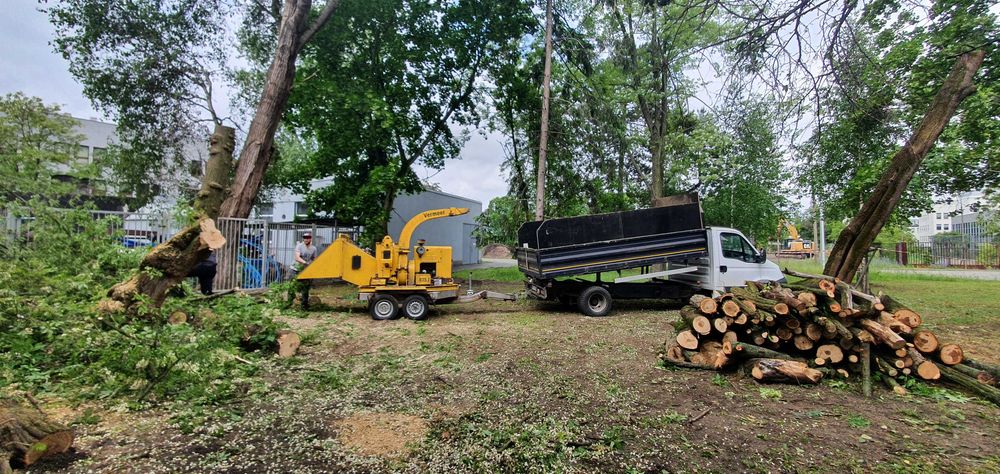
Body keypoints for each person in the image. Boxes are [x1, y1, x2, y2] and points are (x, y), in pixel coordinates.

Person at [291, 232, 318, 309]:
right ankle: (290, 303)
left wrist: (313, 266)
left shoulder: (314, 248)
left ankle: (304, 305)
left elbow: (314, 259)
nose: (306, 239)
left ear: (310, 238)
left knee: (305, 288)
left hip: (305, 270)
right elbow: (297, 257)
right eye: (304, 237)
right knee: (292, 287)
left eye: (307, 237)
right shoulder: (299, 246)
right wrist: (306, 263)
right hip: (295, 269)